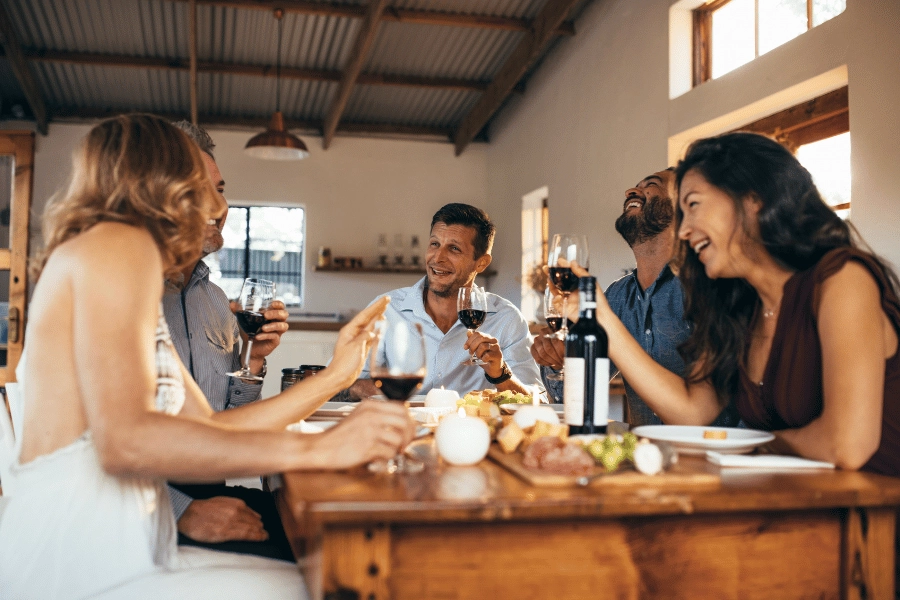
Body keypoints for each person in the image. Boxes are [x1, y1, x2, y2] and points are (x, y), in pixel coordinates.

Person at [0, 114, 415, 599]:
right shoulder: (117, 244)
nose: (219, 204)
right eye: (201, 185)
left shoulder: (118, 259)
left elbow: (214, 427)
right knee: (347, 583)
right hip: (75, 563)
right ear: (160, 183)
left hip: (129, 548)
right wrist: (321, 448)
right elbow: (126, 443)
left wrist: (338, 373)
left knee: (333, 576)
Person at [567, 132, 900, 474]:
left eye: (693, 206)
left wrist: (749, 446)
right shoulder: (739, 308)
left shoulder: (841, 280)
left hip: (877, 515)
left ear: (752, 200)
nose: (684, 231)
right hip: (801, 508)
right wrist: (603, 320)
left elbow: (846, 446)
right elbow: (691, 411)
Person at [166, 121, 292, 561]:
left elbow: (227, 422)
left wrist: (253, 361)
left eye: (220, 189)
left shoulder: (217, 302)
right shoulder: (129, 293)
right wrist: (180, 512)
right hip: (148, 505)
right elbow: (95, 444)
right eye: (202, 192)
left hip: (212, 481)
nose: (221, 207)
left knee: (309, 524)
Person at [532, 169, 738, 427]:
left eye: (652, 184)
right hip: (647, 456)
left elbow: (699, 414)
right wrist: (558, 362)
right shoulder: (617, 297)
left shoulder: (712, 287)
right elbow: (569, 398)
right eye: (635, 186)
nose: (631, 191)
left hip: (714, 459)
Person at [342, 203, 541, 399]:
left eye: (454, 248)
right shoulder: (386, 309)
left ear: (481, 262)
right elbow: (338, 383)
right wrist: (380, 392)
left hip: (472, 430)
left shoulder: (507, 319)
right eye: (435, 244)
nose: (438, 258)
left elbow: (536, 402)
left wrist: (500, 374)